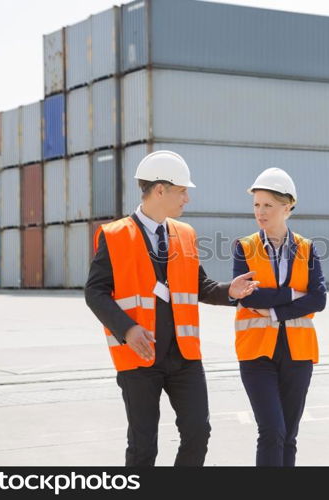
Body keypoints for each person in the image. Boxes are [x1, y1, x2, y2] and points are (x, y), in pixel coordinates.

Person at [85, 150, 259, 466]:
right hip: (139, 357)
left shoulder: (185, 234)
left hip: (185, 357)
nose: (187, 200)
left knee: (198, 433)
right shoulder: (115, 235)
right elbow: (95, 292)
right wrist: (126, 328)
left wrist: (229, 291)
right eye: (182, 191)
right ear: (160, 190)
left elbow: (199, 287)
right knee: (143, 447)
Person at [232, 167, 327, 466]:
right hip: (256, 351)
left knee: (289, 435)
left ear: (287, 208)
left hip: (297, 352)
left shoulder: (308, 248)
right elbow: (248, 295)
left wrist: (271, 309)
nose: (260, 212)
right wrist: (293, 296)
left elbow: (319, 299)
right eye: (256, 205)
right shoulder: (243, 247)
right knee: (272, 430)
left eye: (268, 205)